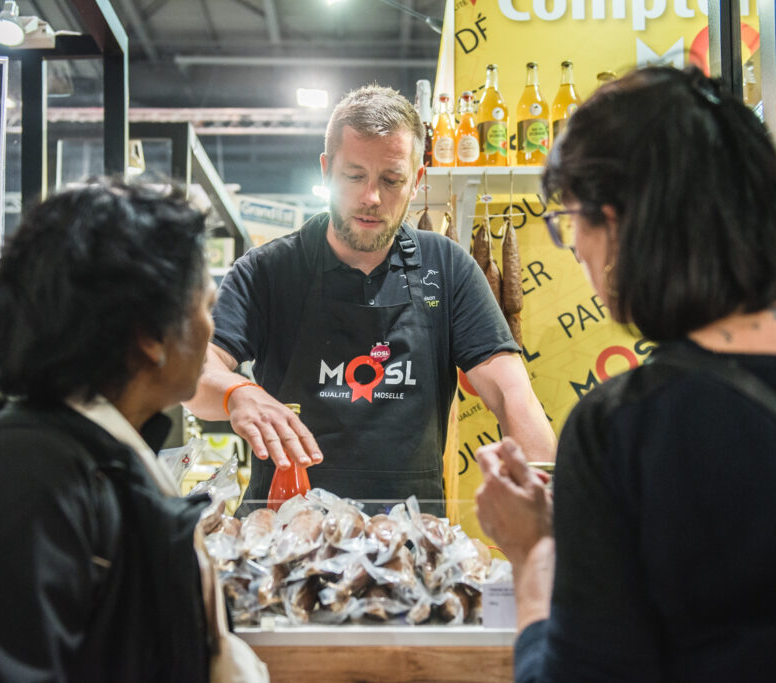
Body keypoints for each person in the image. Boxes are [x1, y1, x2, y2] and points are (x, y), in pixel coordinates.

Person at [475, 66, 776, 681]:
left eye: (572, 221)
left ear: (618, 225)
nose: (575, 248)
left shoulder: (624, 428)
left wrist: (533, 556)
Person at [0, 179, 224, 680]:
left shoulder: (91, 460)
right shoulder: (22, 479)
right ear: (149, 333)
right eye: (206, 306)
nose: (211, 327)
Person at [185, 85, 555, 514]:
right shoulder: (267, 270)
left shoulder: (448, 267)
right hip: (284, 535)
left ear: (416, 182)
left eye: (391, 180)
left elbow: (511, 393)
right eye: (354, 176)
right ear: (327, 171)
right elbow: (197, 373)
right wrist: (237, 392)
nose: (371, 198)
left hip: (410, 537)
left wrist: (549, 505)